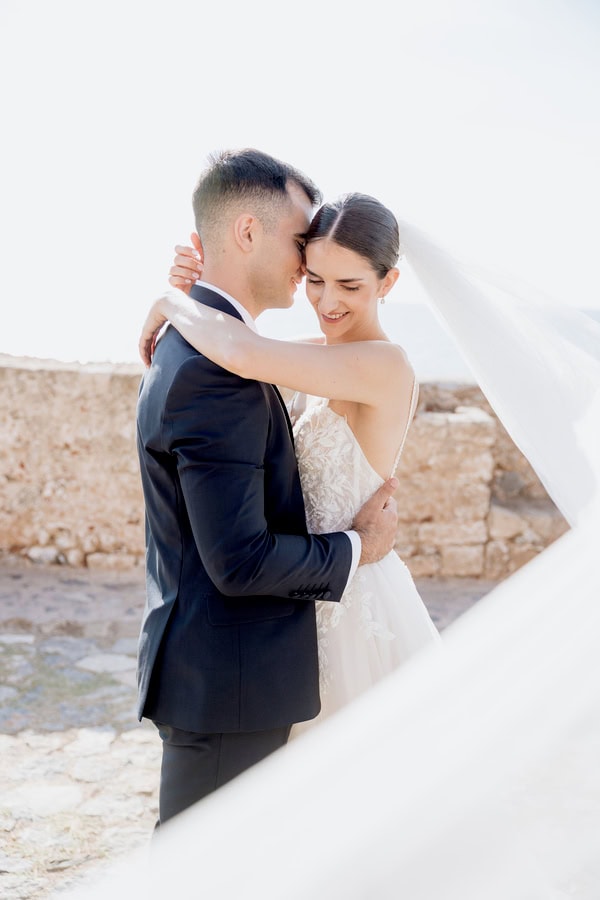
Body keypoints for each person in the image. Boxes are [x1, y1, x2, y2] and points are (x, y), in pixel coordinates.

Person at [136, 149, 400, 827]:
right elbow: (240, 354)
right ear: (250, 233)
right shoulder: (232, 360)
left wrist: (171, 298)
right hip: (252, 657)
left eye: (350, 284)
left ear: (386, 283)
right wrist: (355, 548)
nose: (322, 297)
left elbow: (247, 354)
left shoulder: (376, 365)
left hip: (310, 631)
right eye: (312, 270)